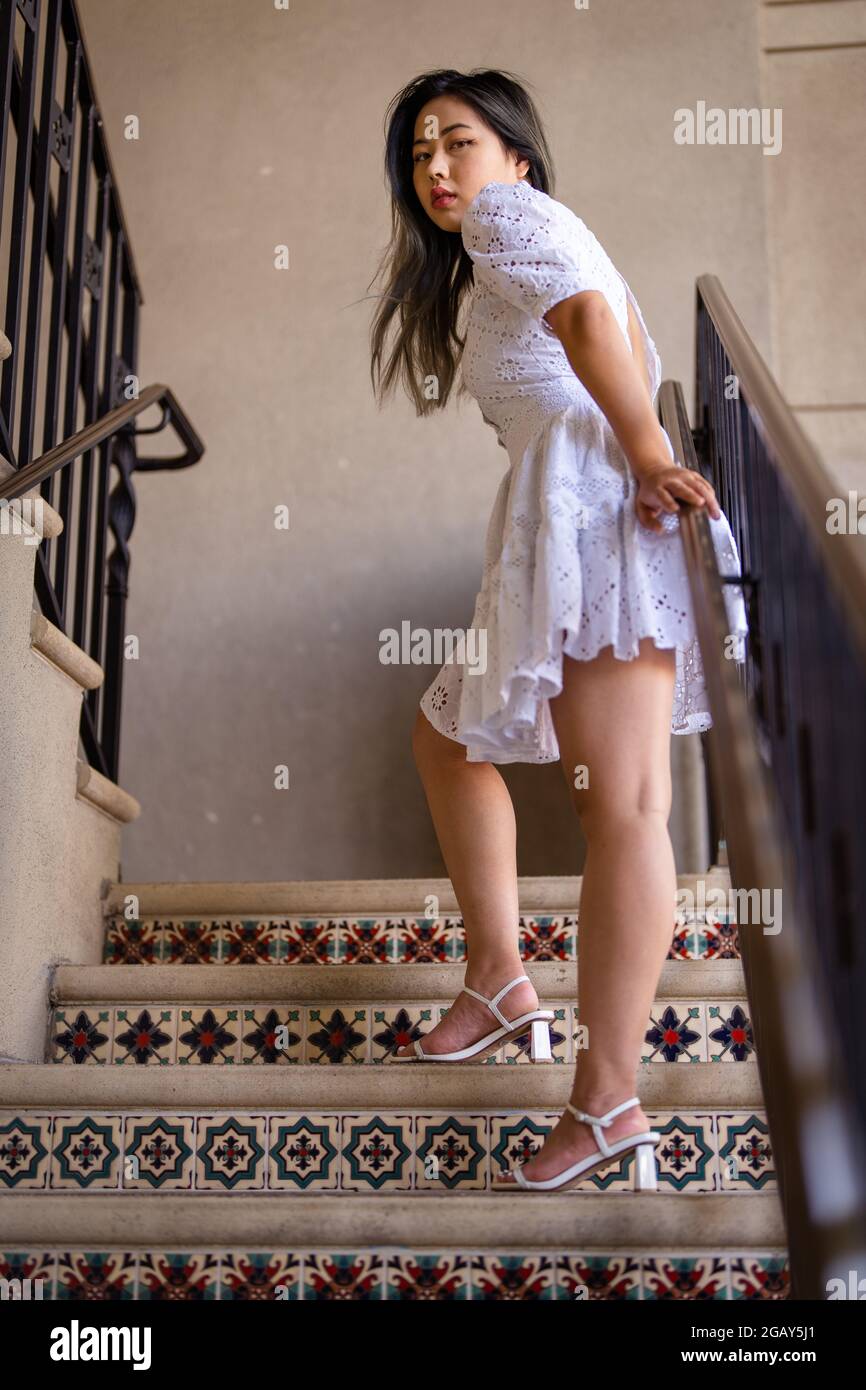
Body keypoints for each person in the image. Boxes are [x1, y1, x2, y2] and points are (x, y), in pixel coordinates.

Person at [368, 68, 748, 1191]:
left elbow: (589, 324)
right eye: (419, 153)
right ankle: (498, 977)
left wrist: (643, 454)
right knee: (450, 739)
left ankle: (603, 1095)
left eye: (459, 143)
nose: (437, 168)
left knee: (624, 806)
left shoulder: (511, 216)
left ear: (515, 156)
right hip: (572, 513)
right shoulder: (510, 235)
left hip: (598, 507)